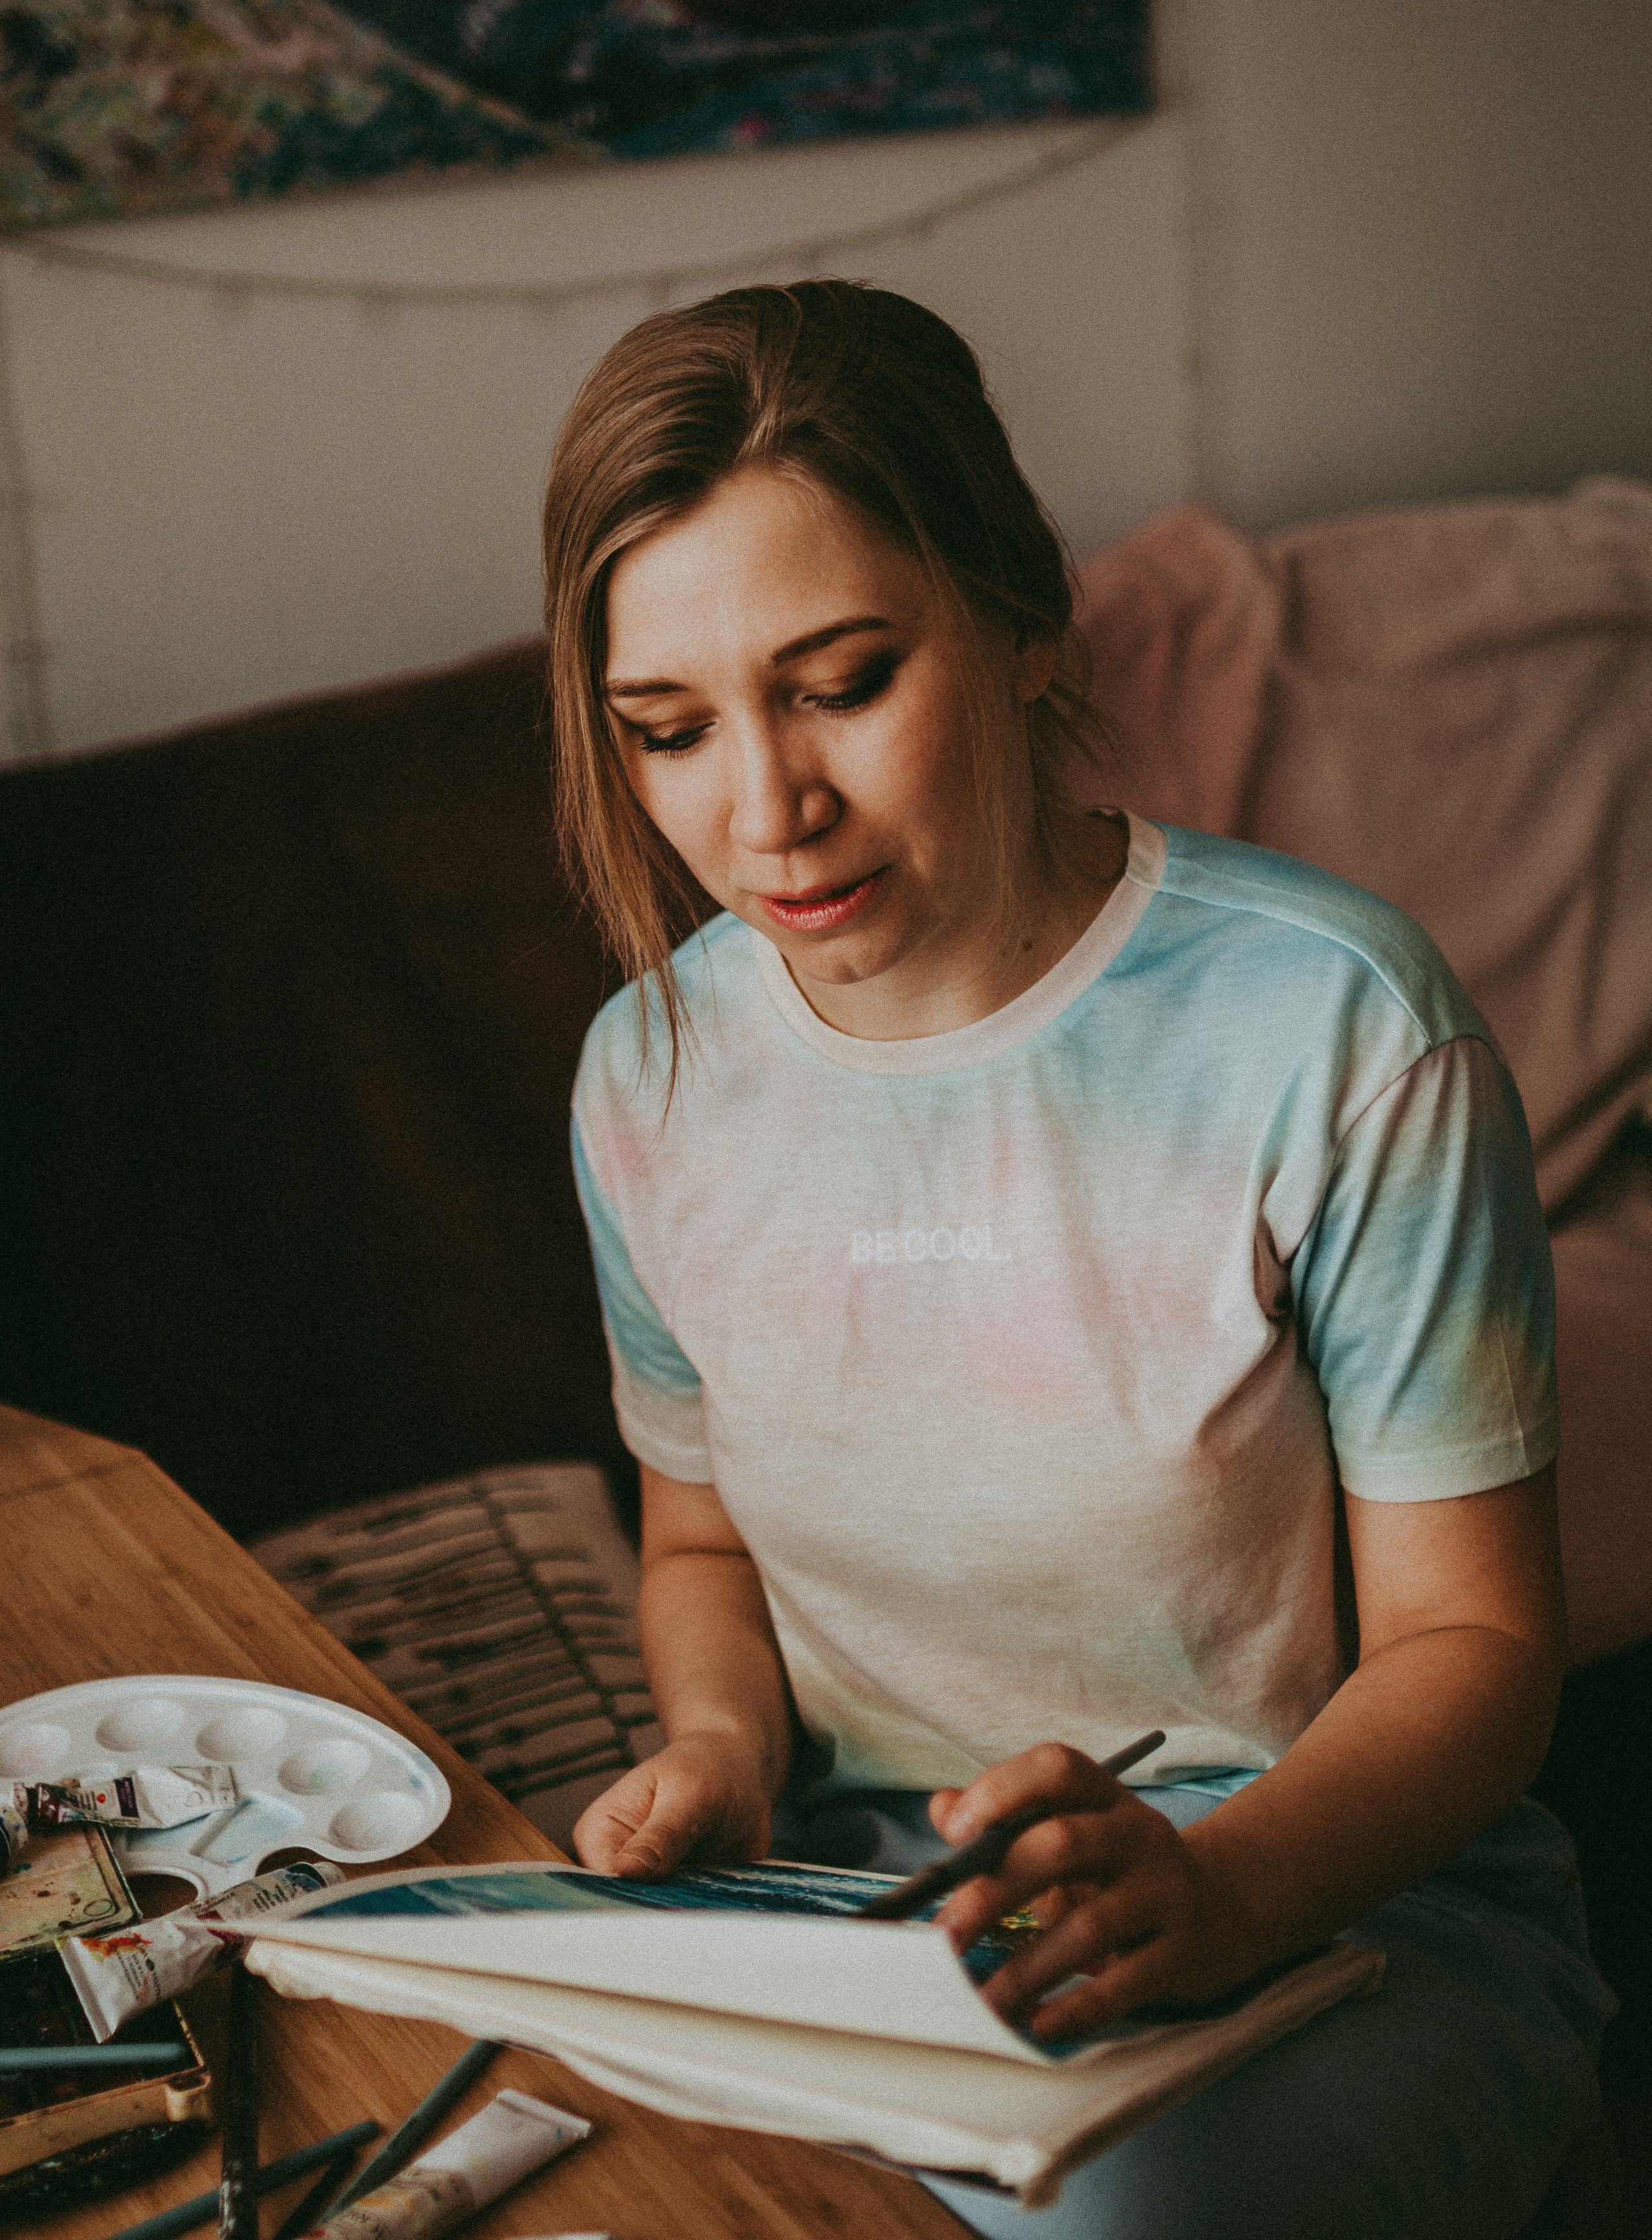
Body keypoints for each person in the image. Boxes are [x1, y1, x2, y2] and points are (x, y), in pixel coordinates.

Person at [544, 281, 1615, 2237]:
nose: (763, 811)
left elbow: (1480, 1647)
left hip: (1338, 1905)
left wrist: (1215, 1897)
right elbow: (697, 1539)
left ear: (1024, 618)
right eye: (668, 729)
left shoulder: (1341, 1029)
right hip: (858, 1913)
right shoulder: (650, 1079)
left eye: (843, 681)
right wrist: (718, 1740)